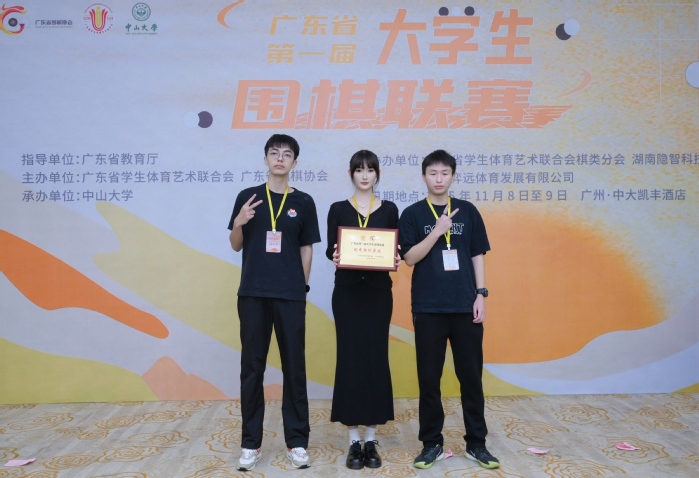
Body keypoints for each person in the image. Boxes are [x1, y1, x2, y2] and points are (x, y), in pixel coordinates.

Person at [398, 149, 500, 471]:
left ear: (453, 176)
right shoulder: (413, 214)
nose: (439, 179)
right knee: (429, 379)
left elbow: (477, 254)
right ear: (423, 176)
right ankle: (432, 444)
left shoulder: (468, 211)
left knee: (471, 378)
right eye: (433, 173)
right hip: (428, 307)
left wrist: (481, 295)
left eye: (444, 173)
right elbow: (410, 258)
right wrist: (437, 230)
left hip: (465, 306)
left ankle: (477, 443)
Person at [228, 134, 320, 471]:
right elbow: (236, 244)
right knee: (252, 369)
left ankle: (297, 441)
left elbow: (307, 249)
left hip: (290, 295)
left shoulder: (304, 202)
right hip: (253, 293)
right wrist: (238, 223)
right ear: (265, 158)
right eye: (274, 153)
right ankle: (250, 444)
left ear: (295, 162)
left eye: (287, 154)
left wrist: (302, 287)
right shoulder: (248, 197)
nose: (280, 158)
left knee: (295, 367)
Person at [326, 150, 400, 470]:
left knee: (375, 360)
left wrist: (394, 257)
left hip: (378, 294)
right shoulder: (337, 209)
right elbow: (332, 250)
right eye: (359, 170)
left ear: (377, 174)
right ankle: (353, 440)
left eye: (370, 170)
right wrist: (335, 254)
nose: (365, 175)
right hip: (347, 294)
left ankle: (371, 439)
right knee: (350, 361)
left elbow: (395, 249)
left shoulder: (390, 209)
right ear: (351, 174)